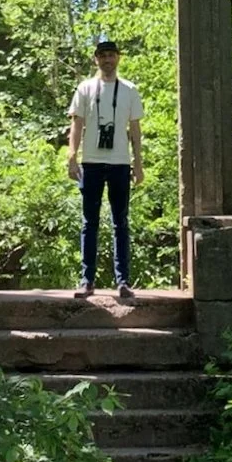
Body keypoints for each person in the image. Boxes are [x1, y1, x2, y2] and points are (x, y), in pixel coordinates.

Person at [66, 39, 144, 299]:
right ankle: (87, 281)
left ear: (118, 58)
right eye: (103, 55)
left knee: (120, 222)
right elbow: (76, 124)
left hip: (120, 162)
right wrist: (71, 156)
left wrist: (138, 163)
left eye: (111, 55)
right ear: (95, 59)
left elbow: (135, 129)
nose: (107, 60)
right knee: (90, 222)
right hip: (91, 162)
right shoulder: (86, 88)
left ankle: (122, 282)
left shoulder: (130, 90)